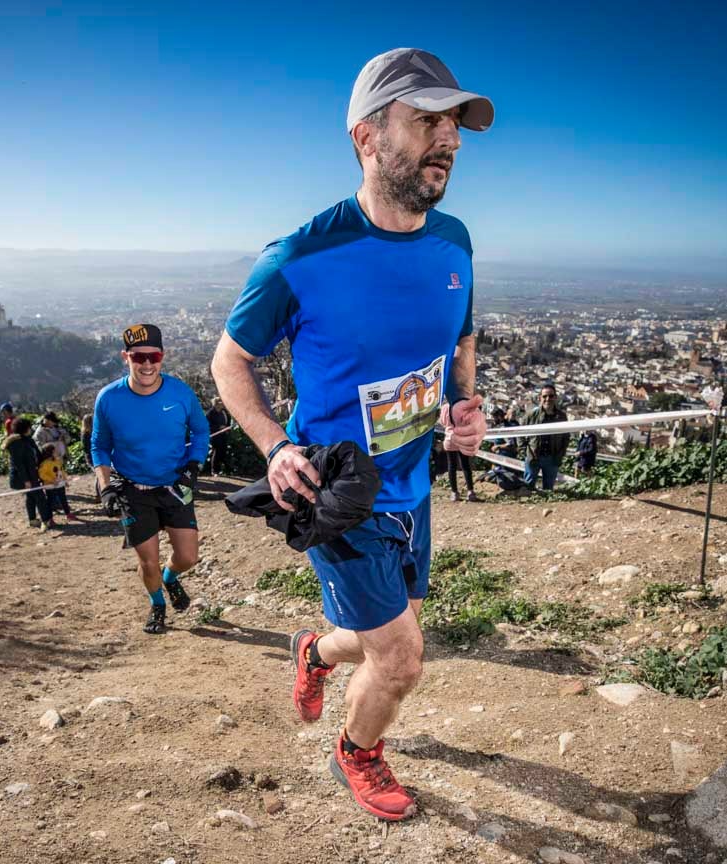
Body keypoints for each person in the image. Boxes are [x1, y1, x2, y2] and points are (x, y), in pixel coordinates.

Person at [211, 47, 492, 821]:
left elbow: (461, 337)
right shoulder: (300, 257)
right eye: (427, 120)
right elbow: (229, 362)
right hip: (338, 491)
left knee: (374, 637)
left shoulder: (456, 241)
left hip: (412, 487)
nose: (450, 139)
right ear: (367, 136)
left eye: (454, 124)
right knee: (400, 661)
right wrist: (276, 448)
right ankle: (356, 753)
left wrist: (463, 404)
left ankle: (312, 650)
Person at [92, 323, 210, 635]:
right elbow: (99, 445)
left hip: (175, 486)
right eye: (138, 357)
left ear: (162, 356)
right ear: (125, 357)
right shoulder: (108, 398)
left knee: (188, 556)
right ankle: (157, 605)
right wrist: (106, 487)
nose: (147, 364)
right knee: (148, 562)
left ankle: (171, 579)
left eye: (153, 356)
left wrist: (193, 466)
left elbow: (201, 431)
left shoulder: (180, 392)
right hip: (133, 489)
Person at [4, 416, 51, 529]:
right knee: (39, 497)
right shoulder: (15, 443)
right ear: (25, 428)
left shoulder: (29, 440)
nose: (31, 429)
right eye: (29, 427)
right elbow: (19, 464)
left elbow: (37, 455)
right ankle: (46, 521)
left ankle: (33, 520)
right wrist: (26, 480)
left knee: (31, 496)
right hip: (26, 476)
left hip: (33, 473)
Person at [522, 384, 570, 491]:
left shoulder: (561, 416)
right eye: (544, 396)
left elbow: (566, 437)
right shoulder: (531, 415)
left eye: (551, 396)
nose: (548, 399)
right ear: (540, 398)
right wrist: (524, 450)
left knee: (548, 489)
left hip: (552, 458)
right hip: (533, 456)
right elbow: (520, 433)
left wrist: (561, 453)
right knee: (528, 487)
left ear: (555, 397)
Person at [38, 443, 82, 524]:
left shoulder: (57, 461)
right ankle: (50, 519)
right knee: (51, 502)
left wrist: (65, 480)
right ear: (50, 452)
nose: (57, 451)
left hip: (60, 485)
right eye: (55, 450)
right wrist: (51, 480)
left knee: (63, 500)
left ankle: (68, 514)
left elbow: (61, 471)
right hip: (50, 487)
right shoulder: (44, 464)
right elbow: (42, 474)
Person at [205, 397, 231, 476]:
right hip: (214, 435)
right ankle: (214, 471)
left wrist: (227, 429)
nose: (223, 403)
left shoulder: (224, 412)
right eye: (221, 402)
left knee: (222, 451)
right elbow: (207, 425)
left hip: (223, 435)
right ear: (216, 404)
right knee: (216, 451)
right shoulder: (210, 413)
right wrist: (219, 427)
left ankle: (220, 470)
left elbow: (228, 421)